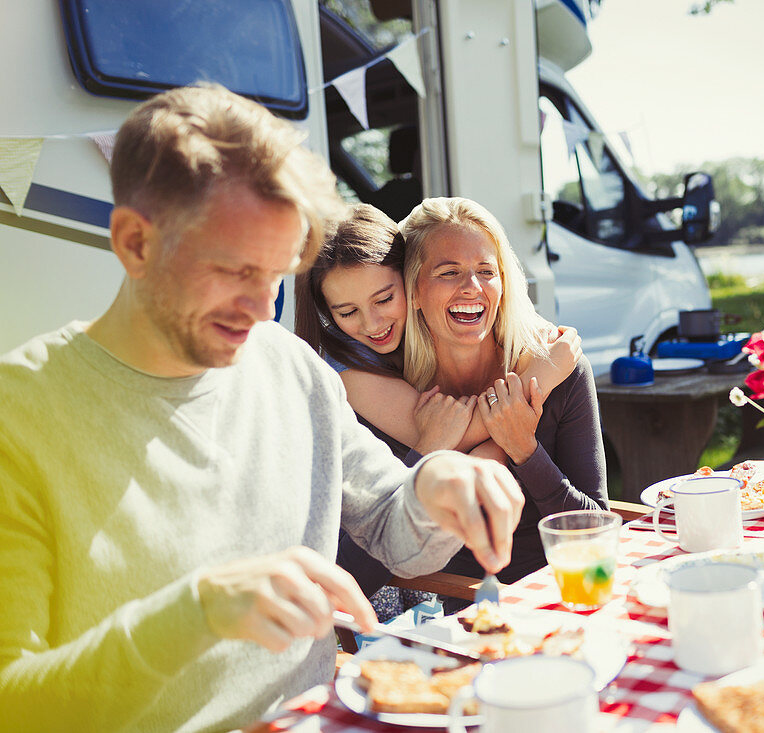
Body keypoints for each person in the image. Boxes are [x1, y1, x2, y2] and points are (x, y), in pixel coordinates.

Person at [0, 84, 523, 733]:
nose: (261, 307)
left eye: (277, 273)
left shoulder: (294, 368)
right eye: (234, 270)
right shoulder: (18, 416)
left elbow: (397, 528)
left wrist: (437, 484)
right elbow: (12, 703)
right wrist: (196, 612)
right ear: (135, 242)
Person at [294, 203, 581, 614]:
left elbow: (593, 526)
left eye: (383, 299)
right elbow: (350, 568)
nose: (374, 323)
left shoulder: (542, 356)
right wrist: (538, 383)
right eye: (347, 312)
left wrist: (518, 445)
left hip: (528, 593)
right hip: (413, 600)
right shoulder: (353, 375)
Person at [401, 197, 608, 591]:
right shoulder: (398, 390)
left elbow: (594, 528)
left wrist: (526, 452)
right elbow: (389, 527)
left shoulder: (560, 367)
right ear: (413, 291)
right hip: (448, 609)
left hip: (561, 594)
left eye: (486, 271)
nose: (472, 287)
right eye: (449, 273)